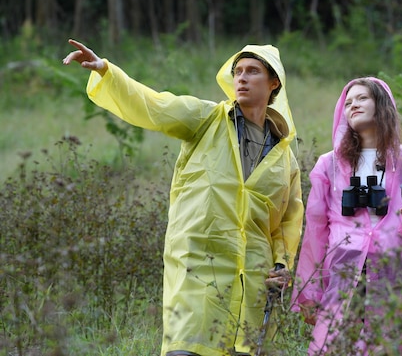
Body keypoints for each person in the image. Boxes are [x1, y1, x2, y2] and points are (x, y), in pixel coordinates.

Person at [62, 39, 304, 356]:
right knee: (188, 347)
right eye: (238, 71)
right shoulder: (206, 119)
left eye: (253, 71)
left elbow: (288, 220)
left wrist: (281, 263)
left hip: (254, 280)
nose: (242, 78)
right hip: (197, 267)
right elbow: (155, 106)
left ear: (274, 83)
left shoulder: (284, 156)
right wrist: (108, 72)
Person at [291, 77, 402, 355]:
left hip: (396, 280)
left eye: (362, 98)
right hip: (344, 279)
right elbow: (315, 234)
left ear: (382, 105)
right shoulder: (328, 165)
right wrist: (309, 292)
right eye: (349, 101)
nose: (353, 104)